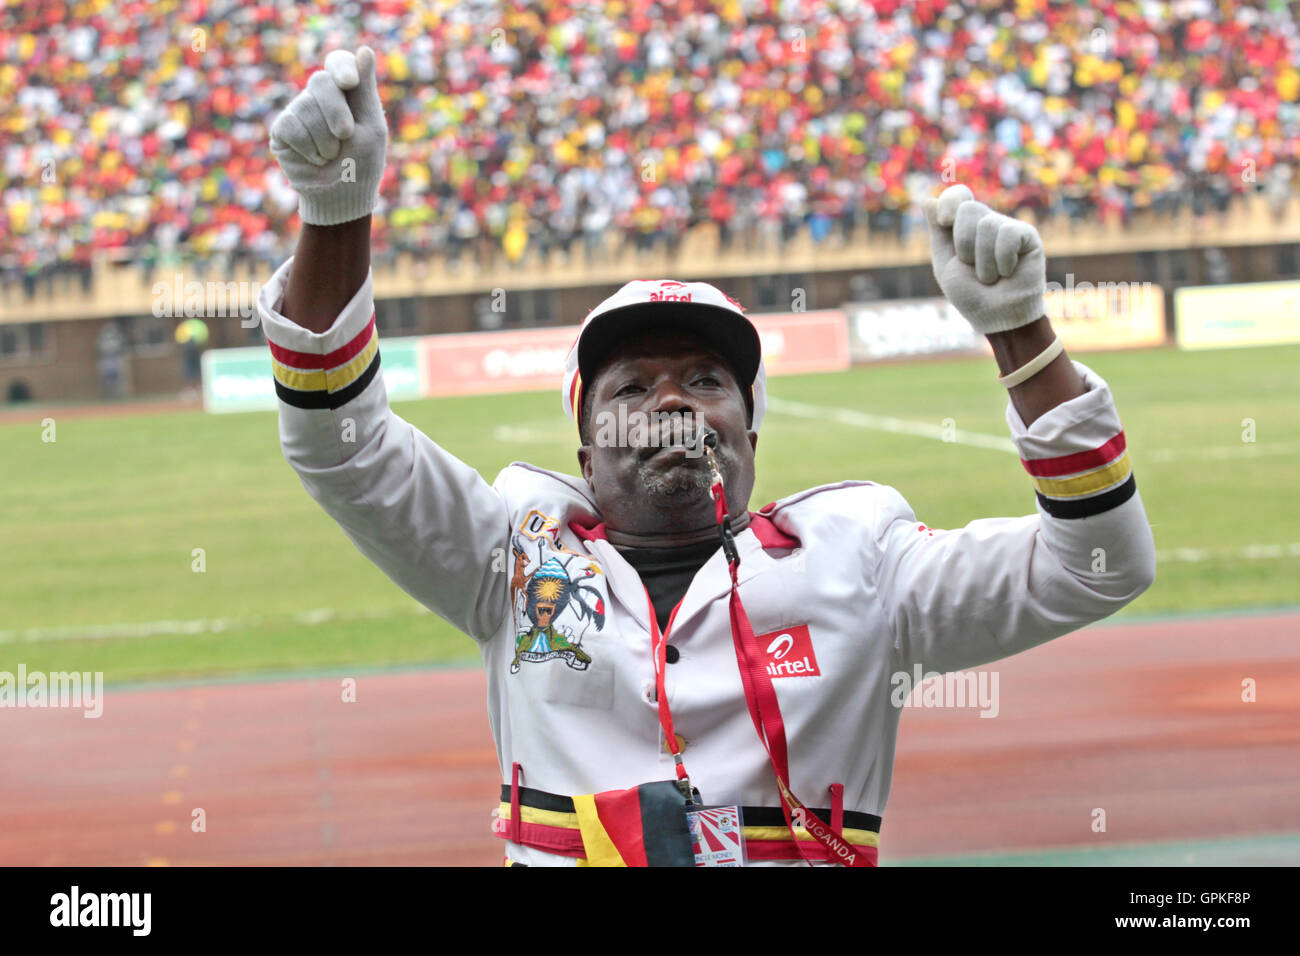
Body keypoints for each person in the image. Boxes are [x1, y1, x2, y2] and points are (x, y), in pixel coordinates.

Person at [260, 48, 1155, 867]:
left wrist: (1023, 341)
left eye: (703, 379)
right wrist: (336, 213)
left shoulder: (862, 565)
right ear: (584, 442)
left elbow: (1099, 565)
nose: (674, 401)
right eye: (632, 389)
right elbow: (344, 446)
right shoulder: (510, 553)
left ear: (750, 432)